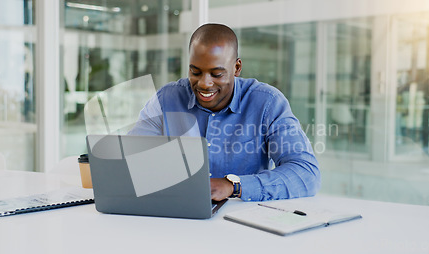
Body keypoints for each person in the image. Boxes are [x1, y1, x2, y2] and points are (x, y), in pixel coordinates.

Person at [129, 23, 320, 202]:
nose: (204, 83)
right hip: (175, 214)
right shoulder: (166, 99)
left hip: (239, 222)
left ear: (236, 68)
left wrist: (234, 186)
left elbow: (306, 173)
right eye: (195, 72)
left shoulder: (267, 103)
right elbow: (131, 160)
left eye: (217, 74)